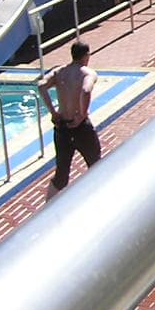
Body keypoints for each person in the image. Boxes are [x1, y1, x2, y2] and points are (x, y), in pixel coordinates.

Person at [38, 41, 102, 201]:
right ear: (86, 56)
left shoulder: (59, 72)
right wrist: (82, 114)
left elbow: (41, 86)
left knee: (62, 174)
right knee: (97, 166)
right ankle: (99, 199)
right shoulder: (87, 73)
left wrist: (53, 112)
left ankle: (47, 208)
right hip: (80, 127)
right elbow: (86, 90)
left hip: (62, 127)